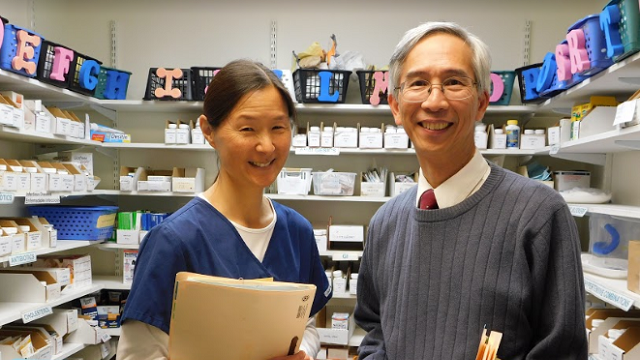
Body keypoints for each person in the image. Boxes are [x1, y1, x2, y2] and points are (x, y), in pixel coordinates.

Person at [354, 22, 587, 360]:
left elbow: (562, 351)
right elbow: (374, 329)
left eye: (453, 82)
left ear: (481, 102)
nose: (435, 102)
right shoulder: (384, 224)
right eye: (418, 83)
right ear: (395, 106)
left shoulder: (539, 215)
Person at [118, 59, 332, 360]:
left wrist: (304, 353)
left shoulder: (297, 232)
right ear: (208, 131)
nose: (267, 146)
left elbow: (307, 326)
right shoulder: (173, 241)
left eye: (278, 128)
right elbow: (138, 355)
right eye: (248, 129)